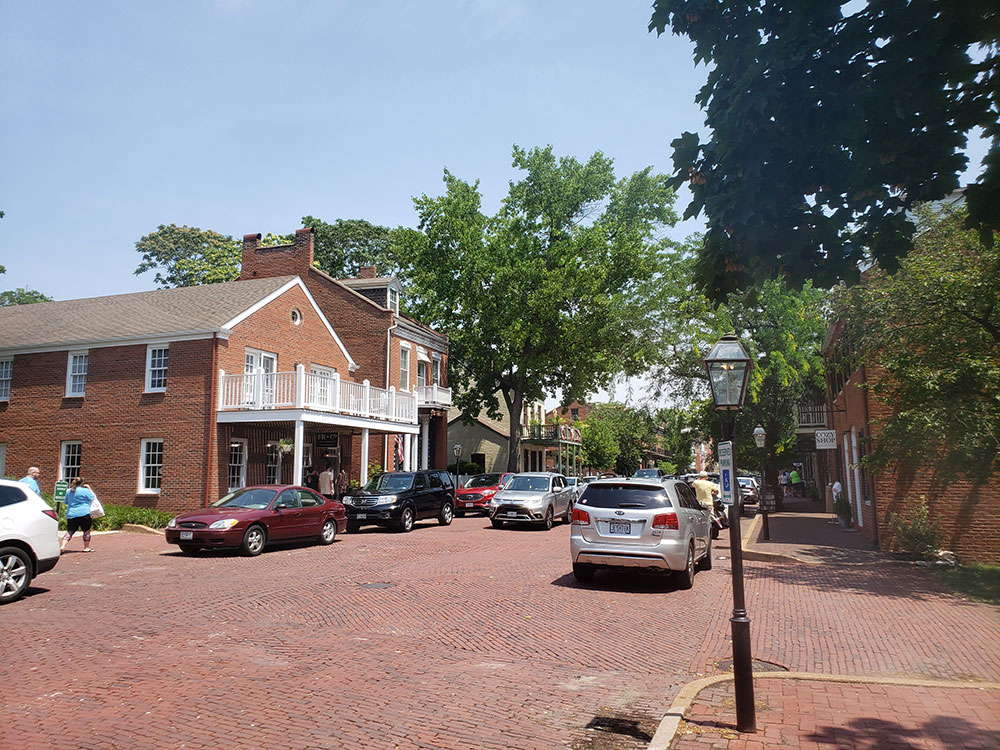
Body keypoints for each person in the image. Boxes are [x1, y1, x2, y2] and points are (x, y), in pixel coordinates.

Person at [61, 477, 97, 553]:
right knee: (86, 531)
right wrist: (89, 488)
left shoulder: (68, 491)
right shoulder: (85, 491)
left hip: (71, 514)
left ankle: (63, 545)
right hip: (84, 513)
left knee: (70, 530)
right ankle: (86, 547)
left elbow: (66, 502)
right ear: (82, 483)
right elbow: (93, 497)